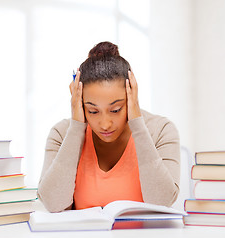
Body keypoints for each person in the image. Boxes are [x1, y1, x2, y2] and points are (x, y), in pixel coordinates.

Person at [38, 41, 180, 213]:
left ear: (131, 95)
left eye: (115, 109)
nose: (105, 124)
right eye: (93, 111)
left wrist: (137, 124)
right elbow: (53, 204)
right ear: (80, 103)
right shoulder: (61, 134)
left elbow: (162, 202)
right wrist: (76, 128)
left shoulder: (161, 130)